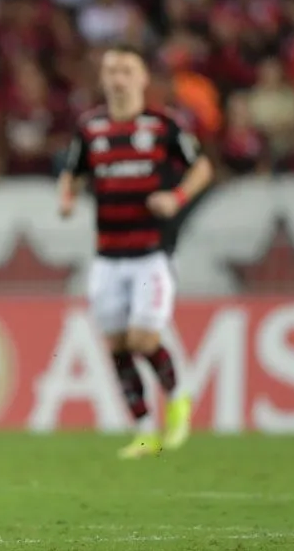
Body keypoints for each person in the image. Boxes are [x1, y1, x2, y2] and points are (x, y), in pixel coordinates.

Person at [57, 43, 213, 459]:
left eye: (127, 69)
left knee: (144, 338)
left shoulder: (164, 126)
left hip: (151, 254)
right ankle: (144, 430)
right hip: (107, 255)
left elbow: (202, 167)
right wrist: (67, 197)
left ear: (144, 78)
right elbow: (72, 172)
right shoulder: (91, 128)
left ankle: (178, 399)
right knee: (117, 345)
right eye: (111, 70)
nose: (118, 78)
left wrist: (176, 197)